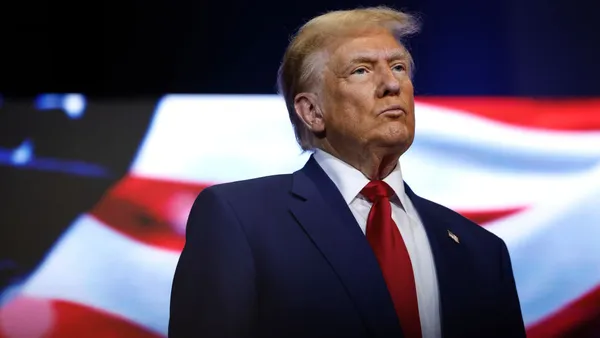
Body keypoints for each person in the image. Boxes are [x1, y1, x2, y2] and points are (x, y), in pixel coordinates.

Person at [168, 6, 526, 338]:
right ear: (312, 111)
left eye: (399, 67)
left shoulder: (481, 252)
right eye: (361, 70)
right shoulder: (241, 220)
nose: (391, 84)